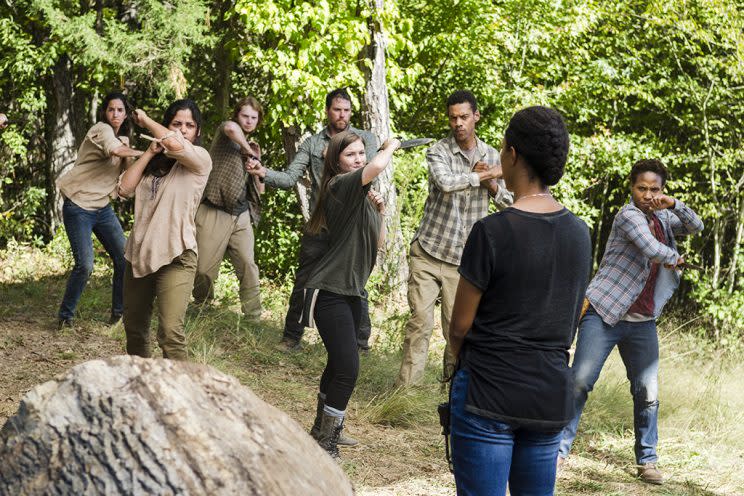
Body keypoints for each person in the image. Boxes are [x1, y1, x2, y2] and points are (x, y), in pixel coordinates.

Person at [448, 106, 591, 496]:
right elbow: (572, 312)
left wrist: (455, 360)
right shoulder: (580, 234)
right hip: (548, 395)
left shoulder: (491, 231)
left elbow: (459, 325)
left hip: (488, 392)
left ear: (512, 154)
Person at [558, 159, 704, 485]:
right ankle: (557, 450)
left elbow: (697, 227)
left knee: (647, 391)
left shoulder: (665, 218)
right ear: (632, 188)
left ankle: (647, 461)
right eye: (642, 188)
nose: (648, 195)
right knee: (580, 380)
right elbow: (651, 248)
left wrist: (674, 204)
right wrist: (675, 258)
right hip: (605, 312)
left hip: (642, 320)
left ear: (662, 190)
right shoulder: (628, 216)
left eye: (655, 189)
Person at [248, 88, 378, 352]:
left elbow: (369, 173)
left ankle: (360, 344)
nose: (342, 115)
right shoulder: (312, 144)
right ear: (327, 111)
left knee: (356, 283)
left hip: (353, 224)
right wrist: (263, 172)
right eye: (336, 110)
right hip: (322, 224)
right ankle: (291, 337)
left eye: (346, 110)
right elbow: (288, 179)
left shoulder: (364, 139)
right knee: (305, 280)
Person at [396, 90, 511, 387]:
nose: (458, 123)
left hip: (463, 261)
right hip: (429, 250)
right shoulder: (438, 151)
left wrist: (493, 186)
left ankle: (452, 390)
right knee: (420, 323)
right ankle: (405, 392)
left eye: (463, 117)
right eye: (453, 118)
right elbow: (446, 184)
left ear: (476, 116)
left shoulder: (492, 156)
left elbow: (511, 202)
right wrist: (484, 176)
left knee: (456, 329)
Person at [302, 131, 399, 458]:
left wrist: (380, 213)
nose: (358, 159)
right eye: (351, 155)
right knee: (348, 367)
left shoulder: (363, 196)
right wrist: (391, 146)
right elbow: (376, 166)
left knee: (338, 362)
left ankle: (323, 428)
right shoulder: (338, 185)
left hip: (352, 292)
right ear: (336, 162)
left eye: (361, 153)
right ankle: (326, 442)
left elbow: (378, 243)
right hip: (329, 289)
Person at [118, 100, 212, 360]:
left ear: (198, 132)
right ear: (167, 124)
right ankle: (145, 389)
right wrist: (148, 152)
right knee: (134, 330)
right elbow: (124, 189)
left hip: (177, 255)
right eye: (176, 124)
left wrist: (146, 120)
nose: (183, 130)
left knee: (170, 333)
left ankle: (181, 396)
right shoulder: (152, 163)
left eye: (189, 126)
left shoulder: (200, 160)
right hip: (138, 253)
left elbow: (175, 144)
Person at [56, 92, 142, 329]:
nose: (115, 114)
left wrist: (133, 155)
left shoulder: (123, 141)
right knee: (85, 265)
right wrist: (148, 153)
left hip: (102, 208)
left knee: (124, 259)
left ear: (126, 115)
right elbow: (115, 151)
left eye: (120, 110)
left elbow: (127, 184)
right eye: (111, 109)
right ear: (105, 112)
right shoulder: (101, 129)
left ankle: (118, 315)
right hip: (79, 206)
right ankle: (65, 317)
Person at [192, 97, 264, 319]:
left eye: (254, 117)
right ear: (237, 115)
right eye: (245, 116)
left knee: (247, 265)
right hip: (214, 209)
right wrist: (246, 151)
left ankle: (253, 316)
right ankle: (202, 305)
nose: (249, 121)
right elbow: (232, 128)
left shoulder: (254, 147)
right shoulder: (226, 132)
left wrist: (258, 167)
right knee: (203, 269)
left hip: (241, 214)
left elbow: (260, 189)